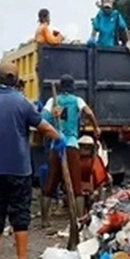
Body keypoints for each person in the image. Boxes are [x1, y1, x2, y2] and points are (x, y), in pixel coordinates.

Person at [0, 61, 62, 259]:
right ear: (15, 79)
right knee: (20, 215)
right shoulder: (23, 103)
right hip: (19, 170)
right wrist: (59, 138)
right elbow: (43, 126)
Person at [40, 74, 101, 227]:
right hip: (72, 145)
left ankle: (45, 220)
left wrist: (53, 118)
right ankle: (79, 219)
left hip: (57, 144)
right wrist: (96, 127)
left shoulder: (53, 100)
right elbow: (89, 112)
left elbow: (42, 118)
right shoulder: (77, 100)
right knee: (76, 182)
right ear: (72, 87)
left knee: (51, 181)